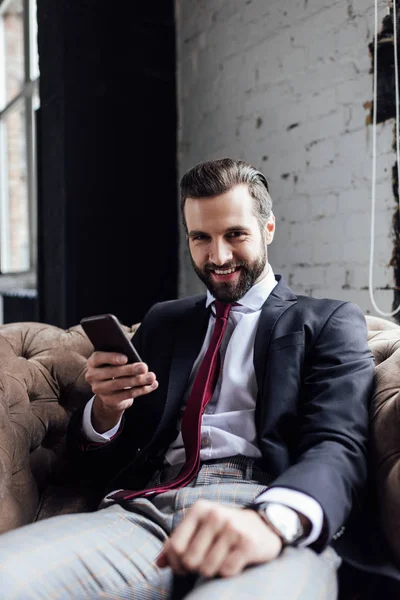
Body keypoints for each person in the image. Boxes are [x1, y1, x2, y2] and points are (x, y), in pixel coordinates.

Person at [0, 158, 375, 599]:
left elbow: (340, 446)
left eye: (235, 234)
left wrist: (273, 521)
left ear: (268, 229)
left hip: (266, 512)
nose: (217, 257)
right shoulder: (165, 321)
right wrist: (105, 411)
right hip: (144, 514)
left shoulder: (329, 320)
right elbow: (89, 463)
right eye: (201, 238)